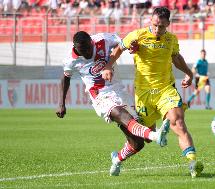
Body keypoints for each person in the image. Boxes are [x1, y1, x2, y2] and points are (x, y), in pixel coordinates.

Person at [102, 7, 204, 178]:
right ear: (151, 20)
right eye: (156, 25)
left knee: (177, 122)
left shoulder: (171, 39)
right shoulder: (137, 35)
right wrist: (107, 66)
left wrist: (189, 73)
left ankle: (193, 163)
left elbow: (176, 57)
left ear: (168, 25)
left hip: (166, 90)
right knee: (145, 138)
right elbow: (118, 49)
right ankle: (118, 157)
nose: (158, 29)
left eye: (162, 26)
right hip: (144, 94)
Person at [55, 31, 170, 176]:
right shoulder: (71, 61)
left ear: (91, 42)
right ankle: (156, 135)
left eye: (87, 48)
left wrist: (132, 46)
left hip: (119, 90)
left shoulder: (103, 39)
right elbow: (66, 78)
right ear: (75, 47)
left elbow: (123, 43)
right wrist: (61, 103)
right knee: (123, 116)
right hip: (100, 96)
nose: (86, 53)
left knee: (139, 143)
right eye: (81, 50)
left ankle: (117, 158)